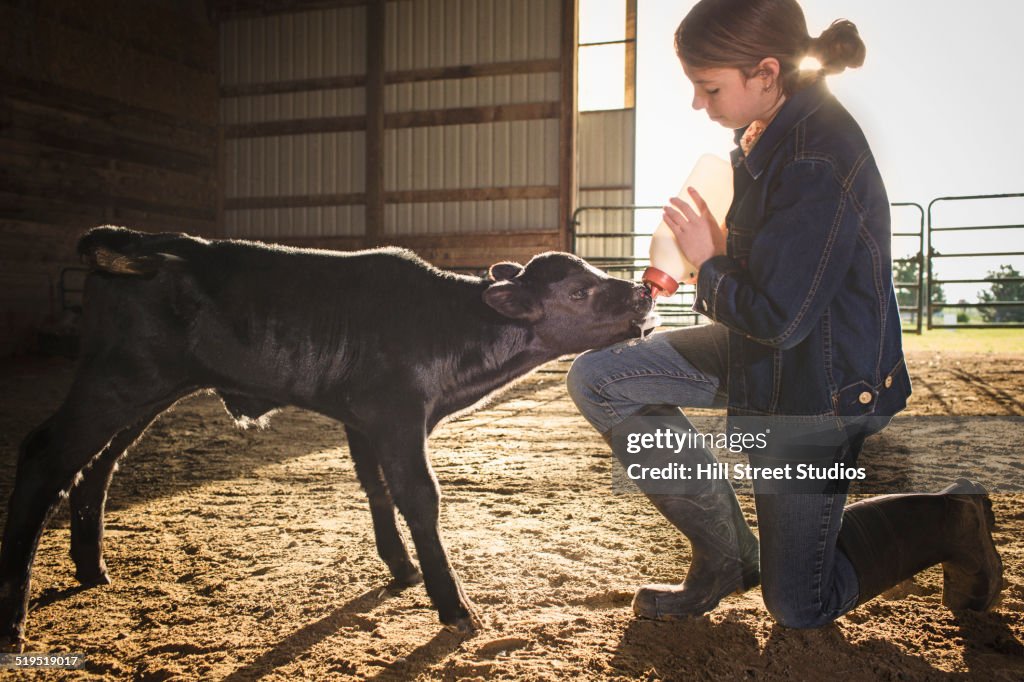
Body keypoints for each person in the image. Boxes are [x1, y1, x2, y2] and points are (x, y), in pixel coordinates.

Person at [567, 0, 1003, 628]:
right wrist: (711, 249)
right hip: (763, 353)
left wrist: (710, 262)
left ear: (767, 73)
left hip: (819, 384)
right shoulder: (763, 130)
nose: (698, 103)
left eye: (708, 87)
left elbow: (781, 318)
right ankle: (725, 559)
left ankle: (951, 516)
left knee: (800, 602)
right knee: (600, 378)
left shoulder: (814, 155)